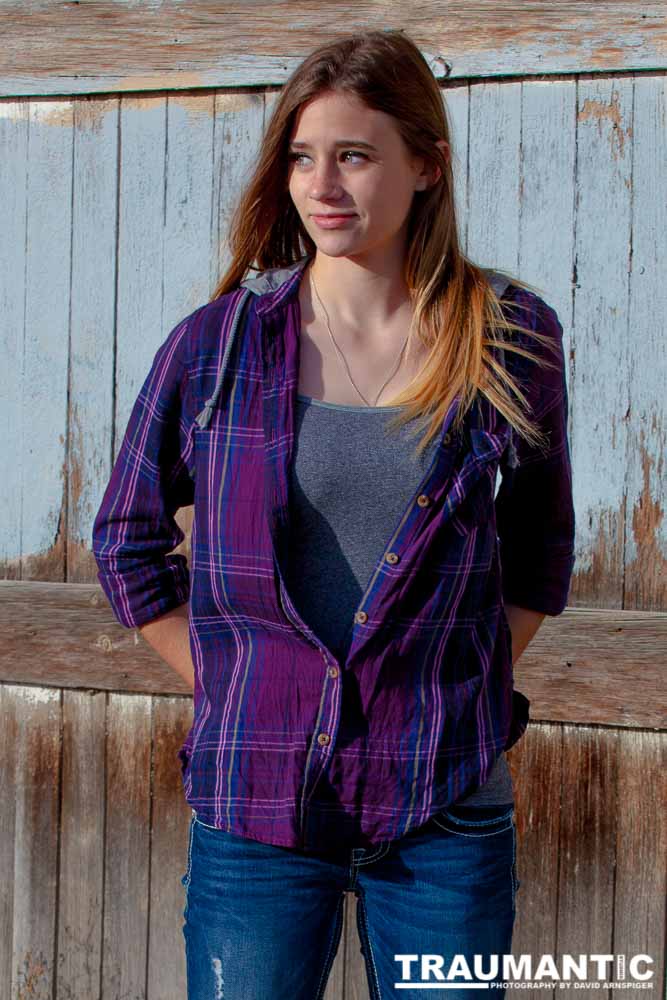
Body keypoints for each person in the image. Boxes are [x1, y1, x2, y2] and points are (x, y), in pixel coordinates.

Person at [92, 29, 575, 1000]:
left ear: (426, 164)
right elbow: (126, 540)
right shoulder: (217, 346)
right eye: (302, 157)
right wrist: (239, 684)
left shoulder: (507, 337)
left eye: (354, 155)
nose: (322, 186)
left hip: (442, 802)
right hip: (256, 808)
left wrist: (443, 689)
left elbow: (539, 551)